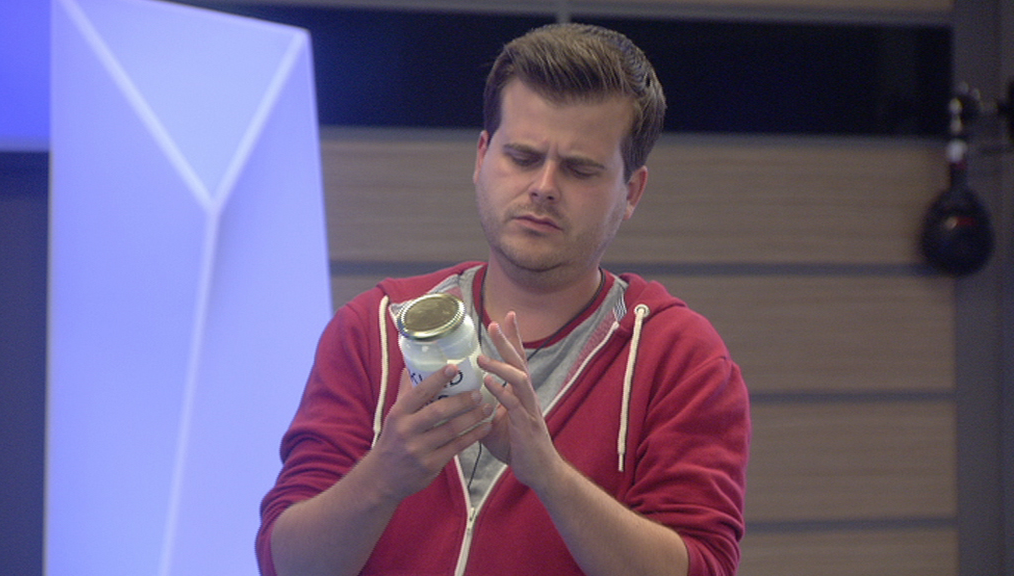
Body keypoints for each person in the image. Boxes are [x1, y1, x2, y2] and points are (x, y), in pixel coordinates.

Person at [257, 22, 749, 576]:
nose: (544, 186)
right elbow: (285, 562)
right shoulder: (373, 327)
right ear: (482, 156)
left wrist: (550, 476)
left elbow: (703, 566)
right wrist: (384, 475)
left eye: (579, 169)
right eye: (522, 156)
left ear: (631, 192)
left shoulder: (681, 358)